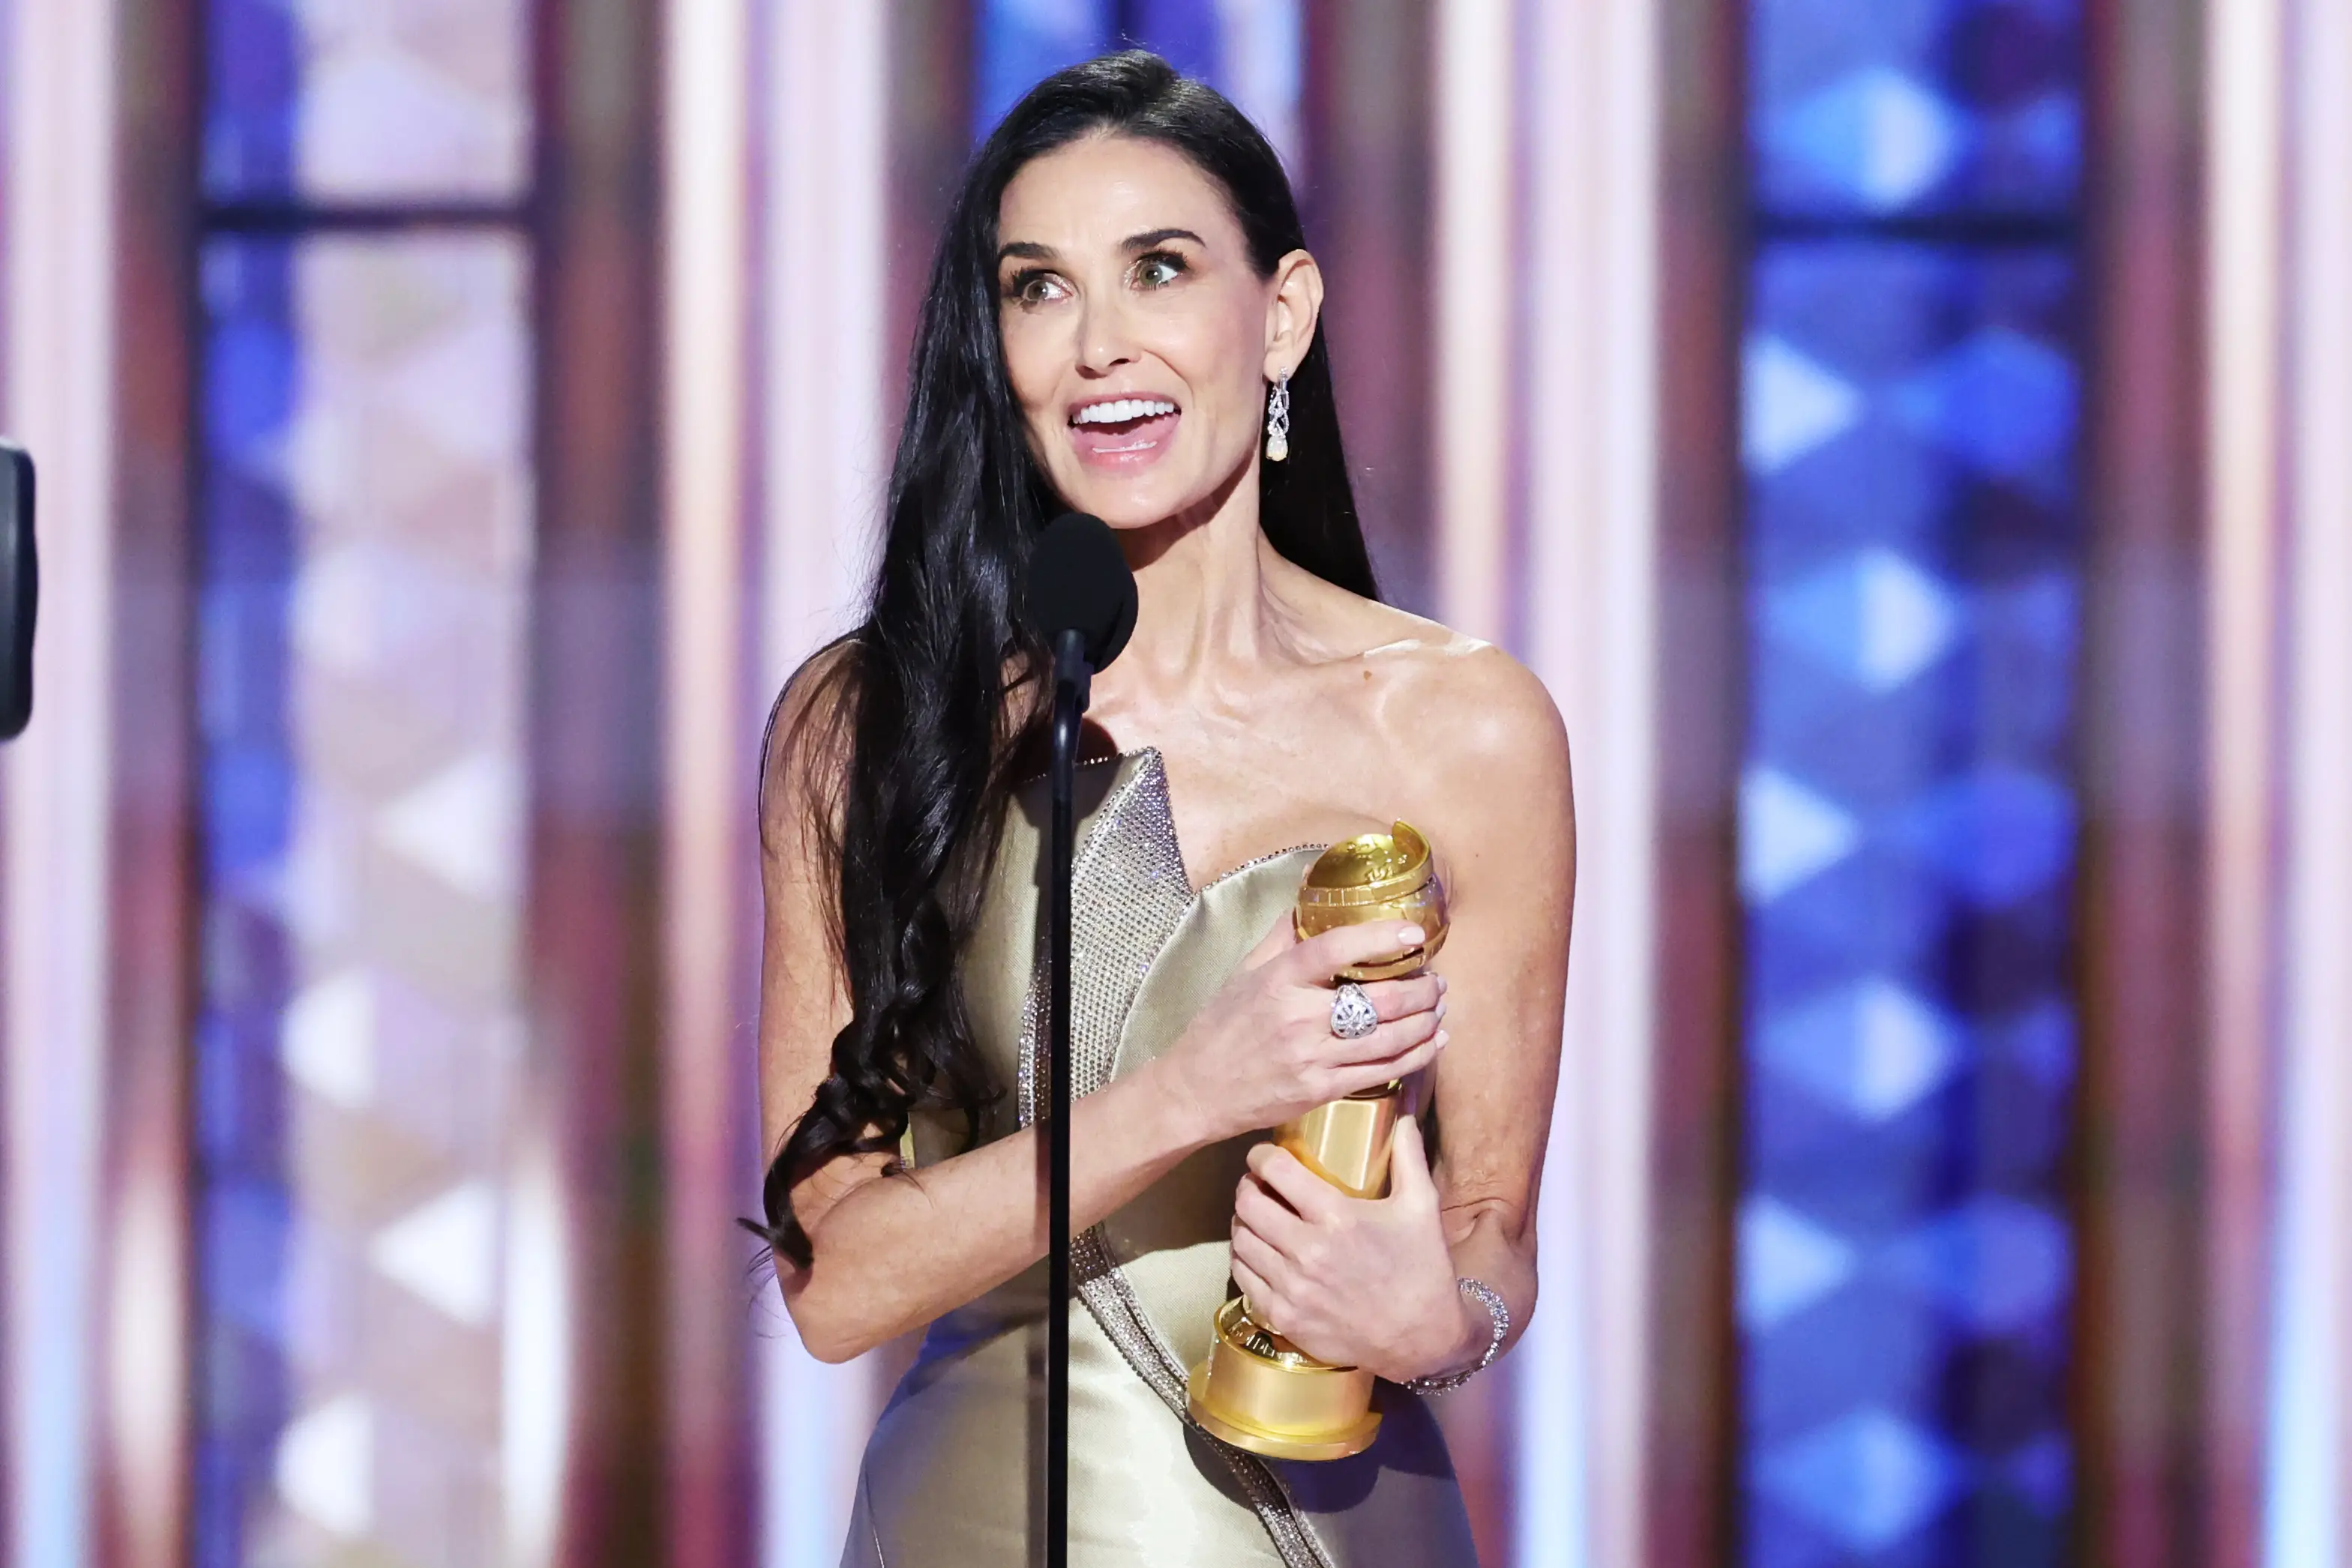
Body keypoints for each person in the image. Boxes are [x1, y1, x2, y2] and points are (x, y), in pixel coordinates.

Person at [750, 50, 1574, 1568]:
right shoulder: (870, 722)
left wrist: (1445, 1321)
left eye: (1158, 269)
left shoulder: (1466, 728)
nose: (1098, 346)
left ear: (1281, 315)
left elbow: (1492, 1225)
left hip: (1325, 1513)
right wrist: (1187, 1093)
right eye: (1038, 288)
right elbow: (834, 1281)